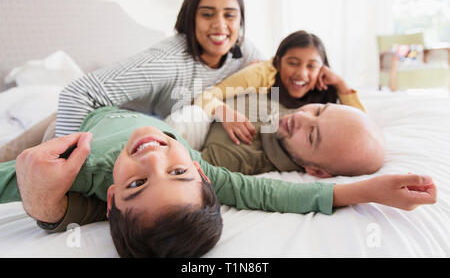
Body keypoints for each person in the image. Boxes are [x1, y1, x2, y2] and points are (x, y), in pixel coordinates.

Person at [0, 106, 437, 258]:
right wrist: (365, 188)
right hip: (129, 108)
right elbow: (270, 192)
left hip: (67, 124)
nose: (154, 159)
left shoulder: (83, 167)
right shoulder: (197, 164)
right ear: (203, 174)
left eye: (137, 185)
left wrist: (36, 185)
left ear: (112, 197)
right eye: (177, 172)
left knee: (13, 152)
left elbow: (20, 181)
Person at [0, 0, 264, 162]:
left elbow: (273, 73)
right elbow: (78, 93)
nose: (220, 25)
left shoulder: (243, 51)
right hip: (95, 112)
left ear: (240, 20)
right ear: (190, 17)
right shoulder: (167, 61)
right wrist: (68, 169)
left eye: (230, 15)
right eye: (207, 14)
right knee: (15, 158)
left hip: (142, 122)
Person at [194, 30, 360, 145]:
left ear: (323, 68)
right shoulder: (260, 74)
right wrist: (224, 112)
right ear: (278, 62)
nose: (302, 74)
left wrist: (341, 84)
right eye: (293, 63)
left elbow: (360, 126)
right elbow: (206, 96)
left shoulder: (325, 84)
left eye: (311, 66)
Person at [199, 99, 385, 178]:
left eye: (312, 134)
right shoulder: (288, 114)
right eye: (319, 110)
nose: (301, 117)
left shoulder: (232, 156)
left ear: (317, 172)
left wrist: (216, 108)